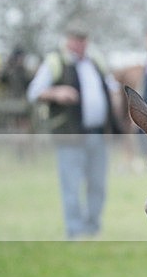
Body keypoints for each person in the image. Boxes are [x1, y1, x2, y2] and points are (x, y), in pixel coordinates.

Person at [26, 21, 121, 239]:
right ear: (68, 40)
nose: (80, 44)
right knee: (72, 184)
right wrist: (56, 92)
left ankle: (93, 228)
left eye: (83, 39)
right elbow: (34, 92)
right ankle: (75, 230)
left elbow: (112, 86)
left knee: (98, 184)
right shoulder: (56, 61)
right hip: (70, 135)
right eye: (76, 39)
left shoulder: (96, 61)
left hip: (97, 133)